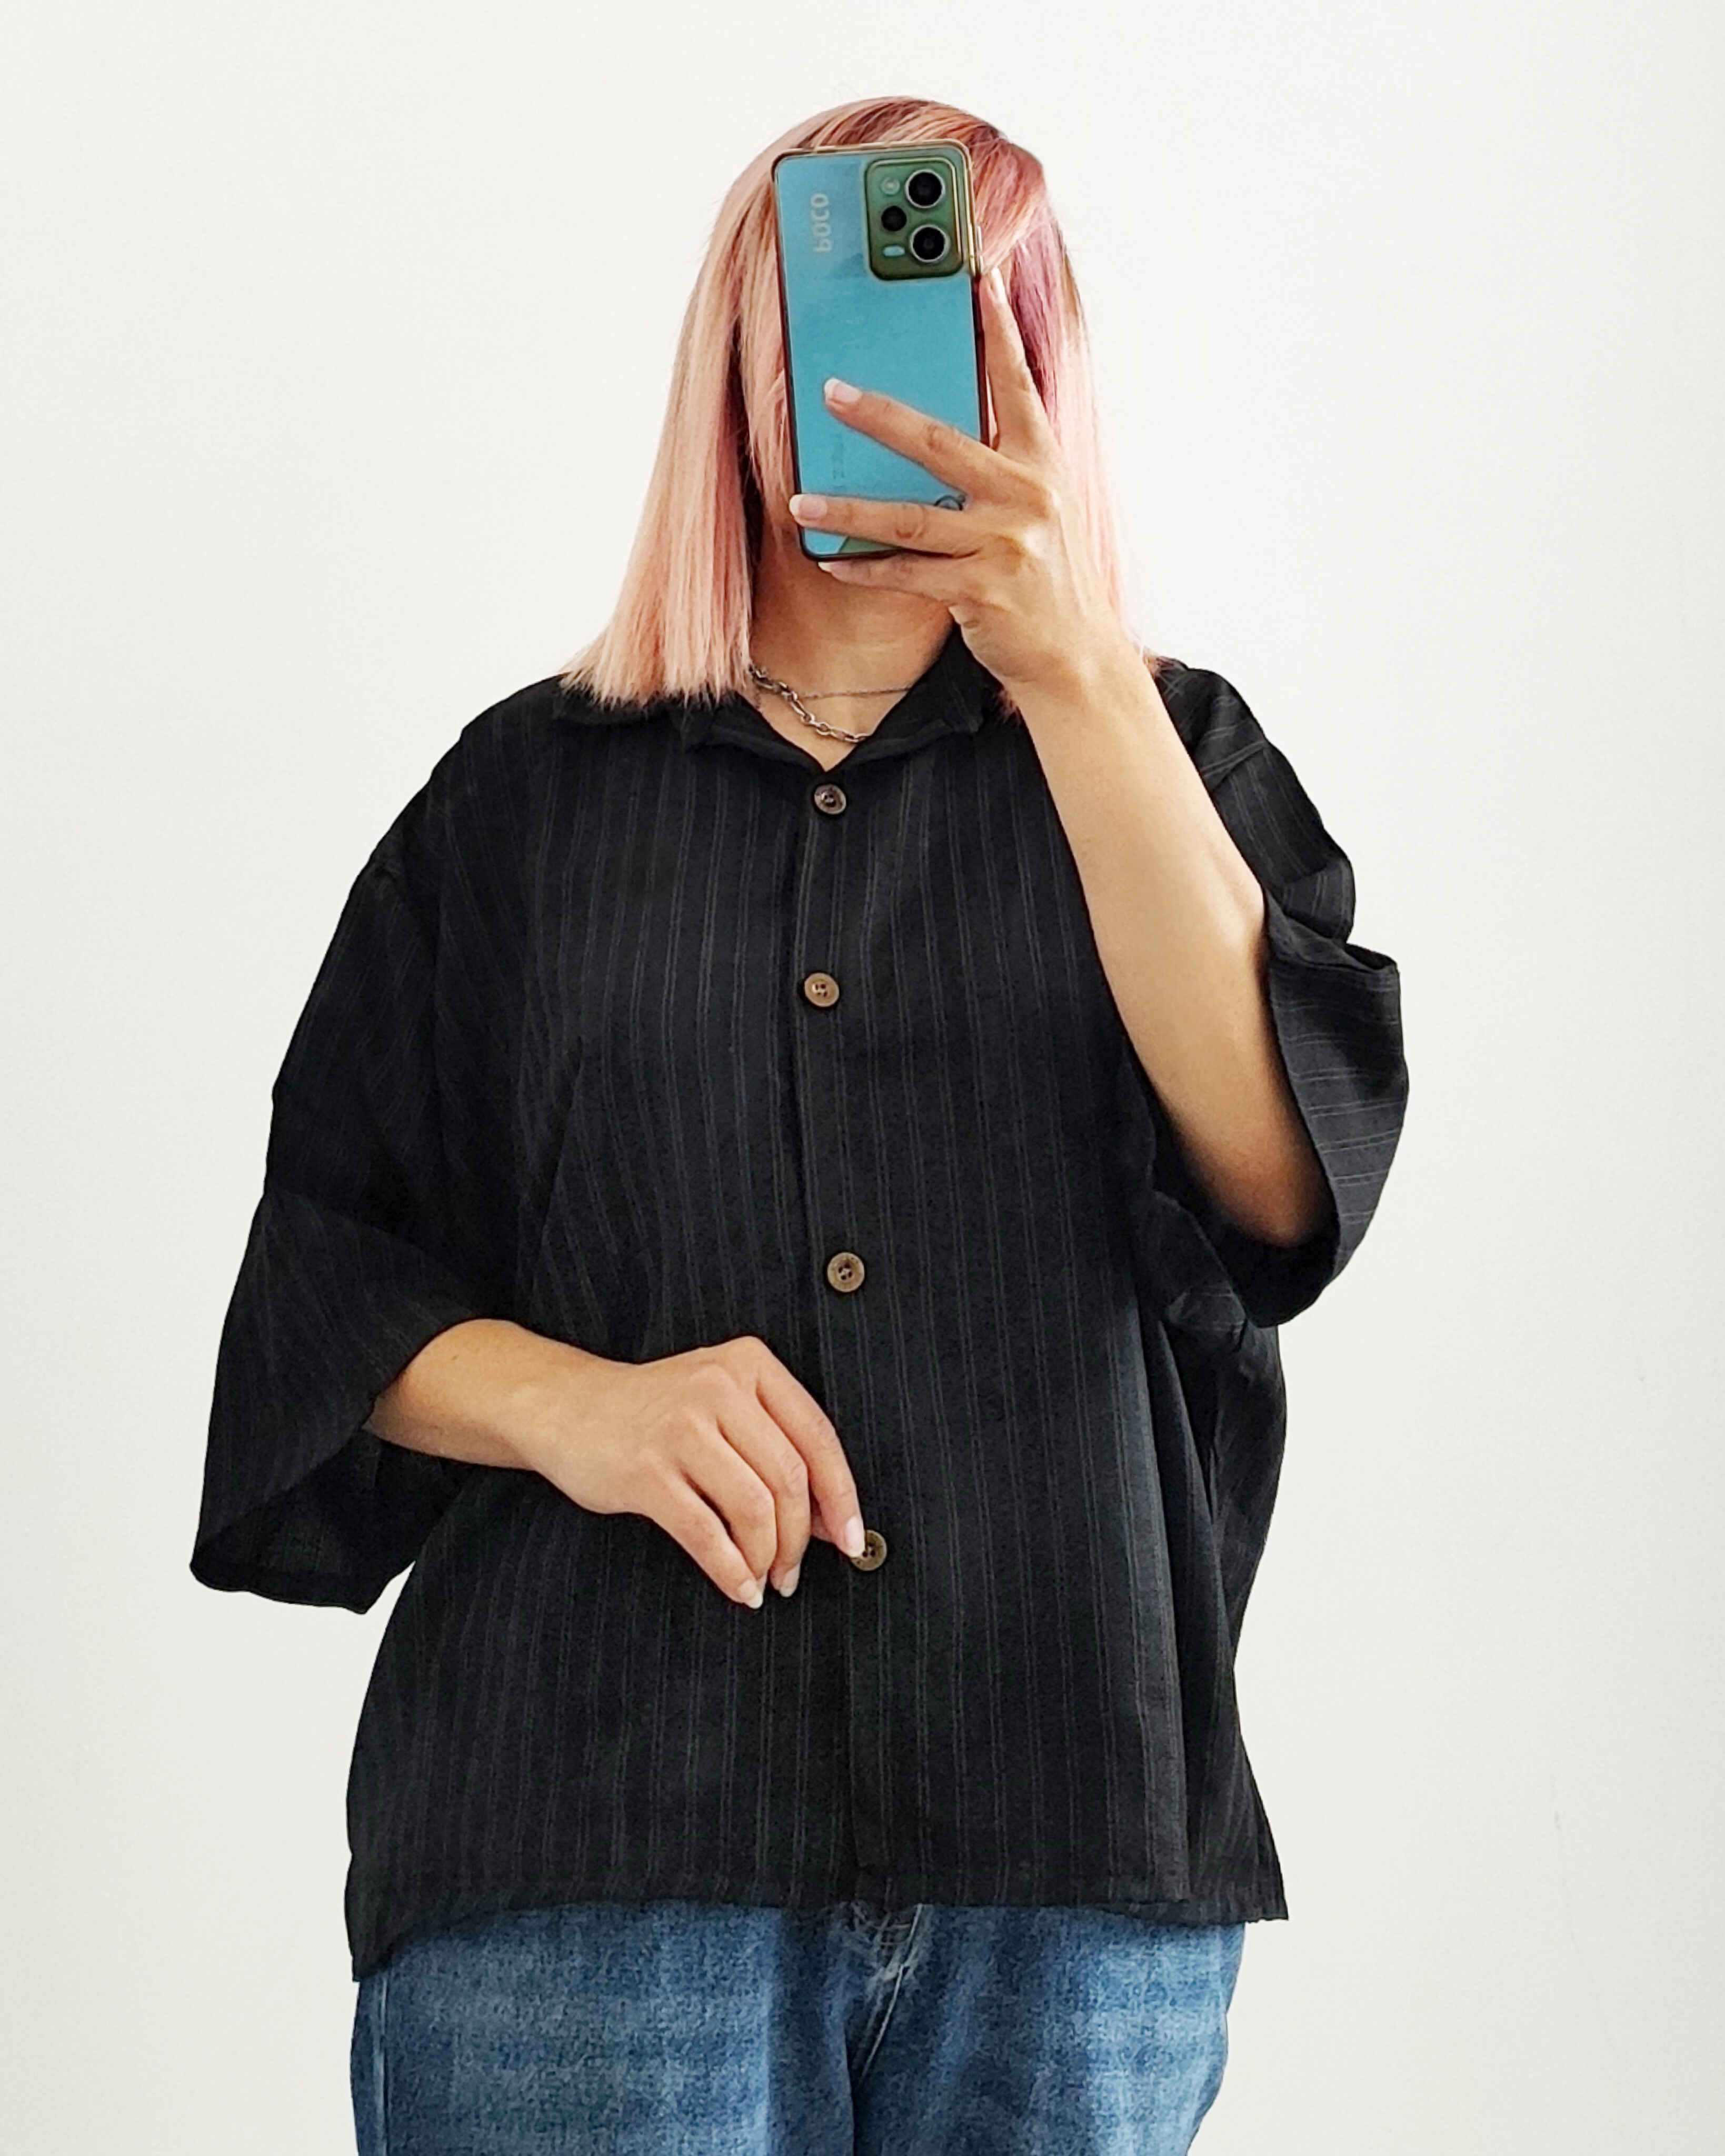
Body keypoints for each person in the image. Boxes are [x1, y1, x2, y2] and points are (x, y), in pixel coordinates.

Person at [190, 93, 1408, 2156]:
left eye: (954, 313)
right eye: (824, 301)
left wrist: (1070, 671)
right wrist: (582, 1406)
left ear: (1036, 363)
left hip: (1064, 1844)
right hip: (585, 1844)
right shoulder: (524, 800)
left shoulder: (1176, 757)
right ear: (739, 349)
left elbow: (1286, 1182)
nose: (865, 375)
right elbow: (324, 1273)